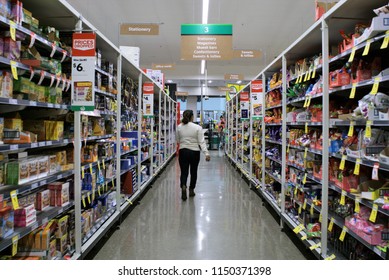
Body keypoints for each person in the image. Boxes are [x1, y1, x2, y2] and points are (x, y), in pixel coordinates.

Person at [176, 110, 210, 200]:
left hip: (183, 151)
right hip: (194, 152)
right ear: (192, 117)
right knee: (193, 172)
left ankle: (183, 185)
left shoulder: (179, 127)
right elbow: (201, 142)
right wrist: (206, 153)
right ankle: (191, 189)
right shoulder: (197, 127)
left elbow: (178, 140)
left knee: (184, 172)